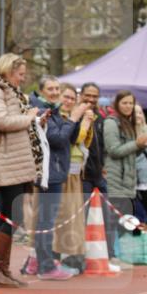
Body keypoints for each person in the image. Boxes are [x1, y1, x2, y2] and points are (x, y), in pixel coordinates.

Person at [0, 54, 44, 288]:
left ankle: (1, 268)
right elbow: (1, 120)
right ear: (8, 70)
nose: (22, 79)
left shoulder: (10, 92)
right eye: (20, 74)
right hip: (4, 161)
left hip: (15, 161)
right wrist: (28, 119)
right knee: (10, 214)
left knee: (12, 213)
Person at [27, 75, 83, 280]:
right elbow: (58, 139)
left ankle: (39, 262)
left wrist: (75, 122)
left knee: (46, 221)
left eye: (56, 88)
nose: (54, 92)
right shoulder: (42, 111)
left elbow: (71, 138)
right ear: (41, 91)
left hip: (56, 172)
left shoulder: (55, 110)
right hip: (48, 174)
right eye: (50, 89)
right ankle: (45, 265)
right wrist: (74, 118)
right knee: (45, 222)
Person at [54, 83, 94, 273]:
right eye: (66, 97)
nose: (69, 101)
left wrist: (86, 123)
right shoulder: (57, 117)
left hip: (76, 173)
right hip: (62, 173)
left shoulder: (73, 118)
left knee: (74, 219)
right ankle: (57, 258)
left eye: (72, 98)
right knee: (62, 218)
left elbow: (85, 142)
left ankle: (72, 258)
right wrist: (82, 123)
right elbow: (73, 139)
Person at [103, 90, 147, 221]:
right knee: (117, 223)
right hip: (116, 181)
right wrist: (137, 144)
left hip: (128, 182)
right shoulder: (111, 123)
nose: (128, 106)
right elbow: (114, 151)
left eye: (131, 103)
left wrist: (142, 145)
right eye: (124, 103)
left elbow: (131, 154)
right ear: (117, 104)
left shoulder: (127, 122)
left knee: (126, 224)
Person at [79, 82, 116, 255]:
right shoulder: (76, 116)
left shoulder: (100, 119)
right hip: (82, 176)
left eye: (95, 96)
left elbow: (103, 147)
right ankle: (80, 256)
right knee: (82, 218)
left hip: (99, 175)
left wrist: (104, 166)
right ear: (81, 95)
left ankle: (108, 255)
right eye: (88, 95)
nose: (91, 99)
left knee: (107, 217)